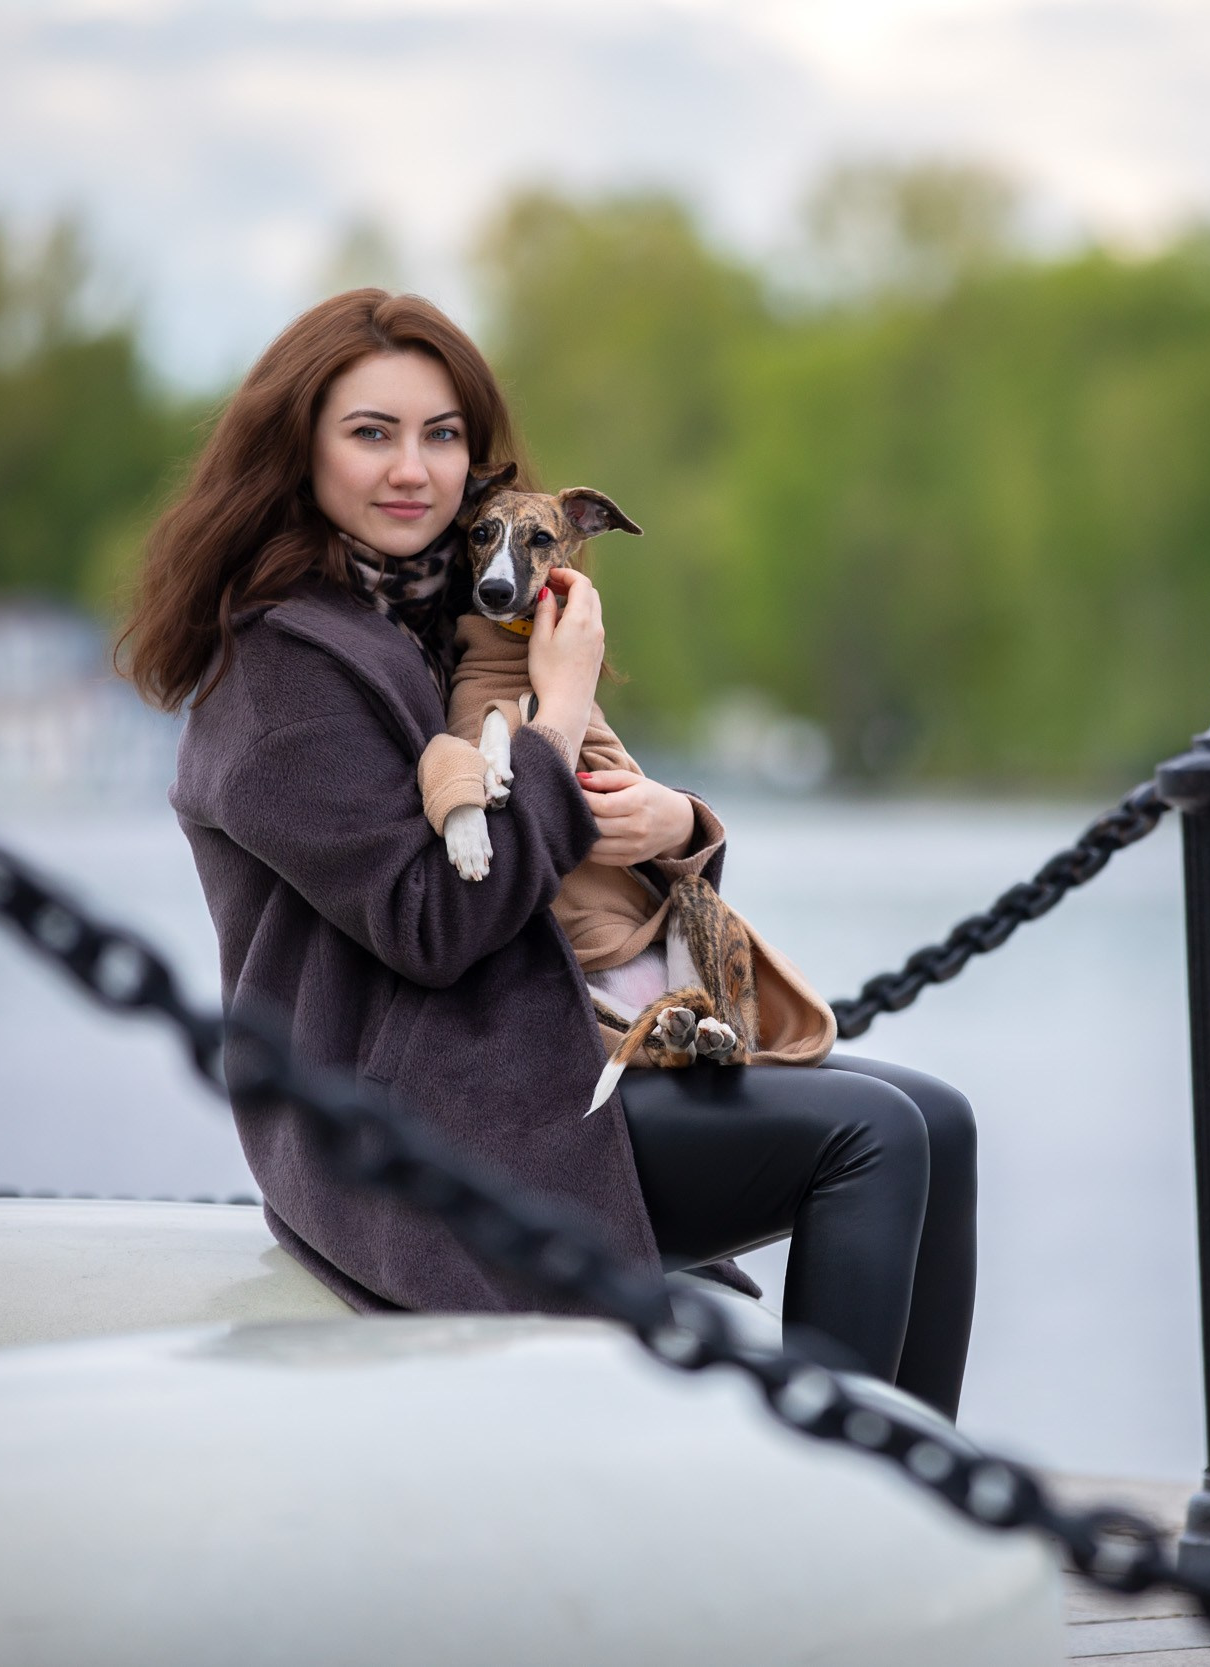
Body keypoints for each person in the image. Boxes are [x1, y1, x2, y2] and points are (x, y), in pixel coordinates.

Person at [121, 290, 976, 1418]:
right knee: (870, 1137)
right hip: (425, 1116)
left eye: (441, 435)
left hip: (543, 1053)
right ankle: (818, 1522)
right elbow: (436, 924)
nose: (412, 469)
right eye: (370, 432)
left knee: (941, 1118)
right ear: (299, 448)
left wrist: (678, 826)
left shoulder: (432, 615)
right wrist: (560, 713)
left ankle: (911, 1519)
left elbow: (568, 864)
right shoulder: (283, 672)